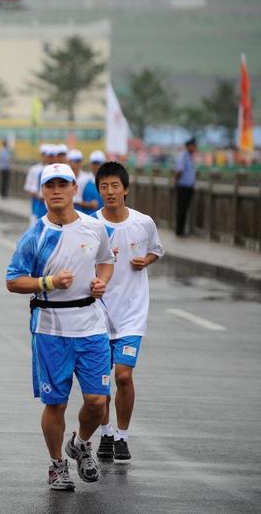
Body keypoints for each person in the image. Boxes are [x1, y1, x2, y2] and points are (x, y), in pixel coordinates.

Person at [6, 162, 115, 491]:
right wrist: (47, 281)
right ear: (42, 191)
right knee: (56, 403)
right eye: (49, 185)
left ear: (74, 189)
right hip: (51, 328)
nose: (56, 191)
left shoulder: (94, 228)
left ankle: (81, 443)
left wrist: (101, 283)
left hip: (92, 325)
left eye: (62, 184)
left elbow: (106, 261)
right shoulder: (35, 235)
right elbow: (13, 280)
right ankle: (57, 465)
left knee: (98, 401)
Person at [93, 161, 164, 464]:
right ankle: (105, 432)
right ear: (98, 191)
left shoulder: (143, 223)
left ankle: (122, 436)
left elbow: (156, 250)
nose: (110, 192)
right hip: (98, 314)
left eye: (115, 186)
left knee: (123, 376)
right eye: (104, 187)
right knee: (101, 383)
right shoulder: (91, 225)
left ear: (126, 189)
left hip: (132, 313)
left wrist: (145, 261)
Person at [174, 137, 197, 237]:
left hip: (188, 187)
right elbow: (179, 170)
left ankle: (182, 230)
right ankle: (179, 231)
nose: (195, 147)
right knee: (181, 209)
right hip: (183, 186)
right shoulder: (184, 156)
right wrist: (176, 181)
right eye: (193, 146)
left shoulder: (190, 156)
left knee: (184, 209)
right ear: (189, 146)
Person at [68, 149, 100, 215]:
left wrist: (79, 202)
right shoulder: (64, 178)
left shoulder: (88, 178)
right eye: (74, 161)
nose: (77, 163)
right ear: (69, 162)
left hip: (82, 213)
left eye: (78, 161)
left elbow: (94, 204)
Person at [24, 144, 50, 224]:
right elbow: (28, 187)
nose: (45, 156)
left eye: (47, 154)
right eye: (43, 154)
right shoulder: (34, 169)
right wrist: (38, 195)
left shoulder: (52, 170)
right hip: (36, 204)